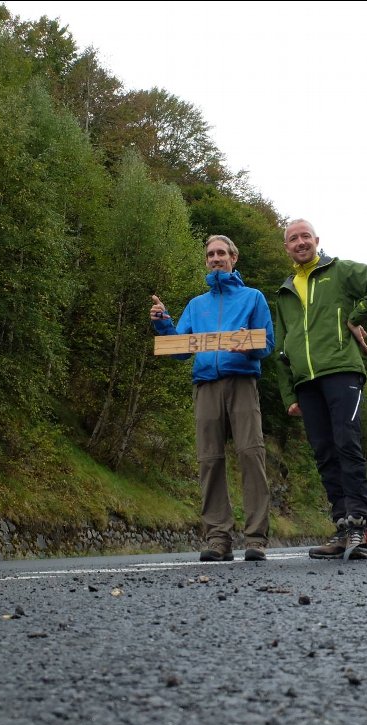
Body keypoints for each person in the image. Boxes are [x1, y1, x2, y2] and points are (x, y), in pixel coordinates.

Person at [273, 219, 367, 559]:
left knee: (347, 444)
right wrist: (289, 395)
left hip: (342, 371)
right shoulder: (284, 293)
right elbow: (281, 349)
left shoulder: (340, 271)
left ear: (316, 240)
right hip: (306, 384)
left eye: (305, 236)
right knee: (325, 454)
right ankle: (342, 528)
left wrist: (356, 316)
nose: (300, 242)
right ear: (286, 247)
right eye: (292, 239)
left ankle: (360, 526)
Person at [150, 234, 275, 562]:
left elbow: (267, 343)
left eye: (222, 253)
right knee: (209, 460)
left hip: (243, 381)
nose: (216, 258)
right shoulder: (196, 305)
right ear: (206, 261)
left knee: (251, 454)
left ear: (234, 258)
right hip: (205, 384)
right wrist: (164, 324)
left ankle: (256, 539)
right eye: (211, 254)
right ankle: (218, 538)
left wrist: (250, 345)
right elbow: (179, 350)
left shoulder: (253, 298)